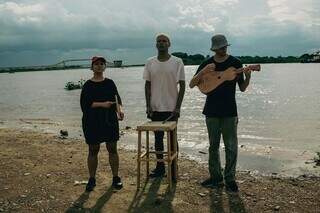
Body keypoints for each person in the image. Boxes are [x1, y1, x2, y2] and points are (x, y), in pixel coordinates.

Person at [189, 34, 251, 192]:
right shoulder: (207, 63)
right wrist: (203, 70)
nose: (223, 49)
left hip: (230, 111)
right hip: (211, 111)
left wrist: (248, 77)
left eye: (224, 47)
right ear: (214, 48)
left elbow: (242, 88)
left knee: (231, 146)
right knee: (213, 146)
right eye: (220, 47)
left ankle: (230, 179)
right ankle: (216, 177)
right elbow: (192, 84)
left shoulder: (235, 63)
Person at [143, 33, 185, 179]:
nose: (161, 43)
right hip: (155, 107)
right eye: (159, 41)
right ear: (156, 44)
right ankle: (160, 168)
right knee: (158, 139)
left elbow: (183, 86)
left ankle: (174, 169)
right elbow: (147, 85)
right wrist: (148, 105)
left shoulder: (177, 61)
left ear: (169, 44)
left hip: (172, 108)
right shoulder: (150, 62)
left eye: (164, 41)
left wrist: (178, 107)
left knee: (173, 139)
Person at [80, 56, 124, 191]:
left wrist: (119, 111)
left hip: (109, 120)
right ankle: (92, 179)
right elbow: (85, 105)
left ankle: (116, 178)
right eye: (96, 64)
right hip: (92, 121)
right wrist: (102, 104)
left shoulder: (110, 83)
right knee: (93, 150)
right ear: (92, 67)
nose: (99, 66)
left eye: (101, 64)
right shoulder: (87, 85)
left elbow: (118, 100)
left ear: (105, 66)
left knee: (112, 149)